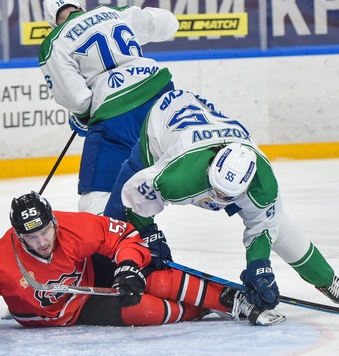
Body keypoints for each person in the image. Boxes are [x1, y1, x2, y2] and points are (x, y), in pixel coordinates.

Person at [0, 191, 284, 342]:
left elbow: (126, 236)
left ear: (53, 221)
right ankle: (203, 309)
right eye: (30, 237)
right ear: (18, 235)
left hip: (90, 273)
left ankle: (229, 299)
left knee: (156, 281)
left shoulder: (75, 228)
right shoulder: (1, 258)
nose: (41, 242)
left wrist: (127, 267)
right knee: (143, 310)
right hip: (66, 315)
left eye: (45, 231)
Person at [118, 89, 339, 311]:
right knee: (120, 223)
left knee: (279, 226)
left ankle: (328, 280)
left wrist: (259, 267)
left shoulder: (263, 184)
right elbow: (134, 193)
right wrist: (148, 233)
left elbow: (264, 226)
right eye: (217, 190)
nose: (218, 198)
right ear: (212, 166)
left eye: (226, 196)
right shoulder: (178, 178)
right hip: (162, 123)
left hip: (207, 133)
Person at [39, 0, 178, 214]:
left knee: (96, 198)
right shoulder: (112, 13)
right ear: (80, 6)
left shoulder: (54, 41)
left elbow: (77, 99)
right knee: (191, 160)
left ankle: (123, 235)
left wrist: (83, 117)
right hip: (162, 94)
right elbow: (168, 23)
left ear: (52, 23)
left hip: (117, 114)